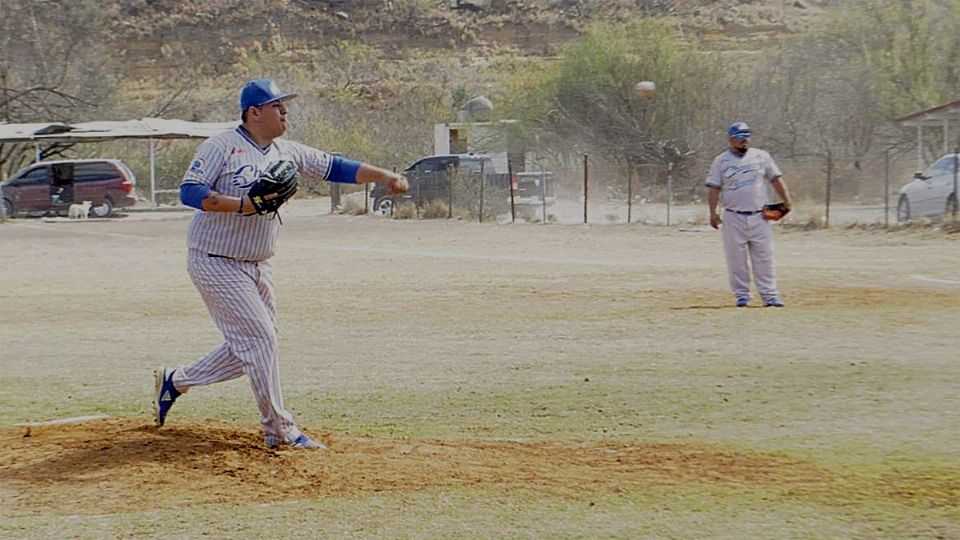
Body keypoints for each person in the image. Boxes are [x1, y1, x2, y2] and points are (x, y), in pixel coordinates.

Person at [153, 78, 409, 450]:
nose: (285, 110)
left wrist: (385, 176)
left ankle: (175, 381)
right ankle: (280, 432)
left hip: (257, 263)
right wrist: (243, 205)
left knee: (256, 348)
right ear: (254, 112)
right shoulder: (221, 146)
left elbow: (336, 167)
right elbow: (190, 192)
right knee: (261, 339)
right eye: (276, 105)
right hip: (215, 260)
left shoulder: (285, 152)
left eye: (284, 104)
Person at [705, 121, 791, 308]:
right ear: (730, 139)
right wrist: (713, 212)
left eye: (746, 137)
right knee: (736, 258)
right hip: (733, 215)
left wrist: (787, 200)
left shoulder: (761, 156)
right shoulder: (721, 161)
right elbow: (714, 187)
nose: (744, 141)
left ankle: (770, 295)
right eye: (739, 138)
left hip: (760, 215)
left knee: (764, 256)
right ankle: (742, 294)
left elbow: (776, 179)